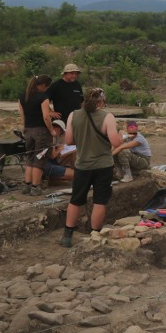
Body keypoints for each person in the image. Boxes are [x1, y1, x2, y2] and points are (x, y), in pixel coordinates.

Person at [60, 88, 122, 248]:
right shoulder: (107, 117)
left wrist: (83, 139)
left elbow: (68, 140)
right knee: (99, 201)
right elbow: (116, 143)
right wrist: (120, 136)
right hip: (103, 166)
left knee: (76, 200)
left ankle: (67, 235)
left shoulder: (73, 115)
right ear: (101, 101)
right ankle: (95, 234)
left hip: (82, 165)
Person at [18, 75, 58, 196]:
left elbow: (22, 115)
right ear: (43, 86)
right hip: (41, 132)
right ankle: (36, 187)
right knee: (40, 158)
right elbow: (46, 116)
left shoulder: (22, 96)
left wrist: (24, 129)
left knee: (30, 158)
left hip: (28, 131)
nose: (47, 89)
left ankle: (27, 184)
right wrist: (51, 131)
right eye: (47, 87)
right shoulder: (43, 97)